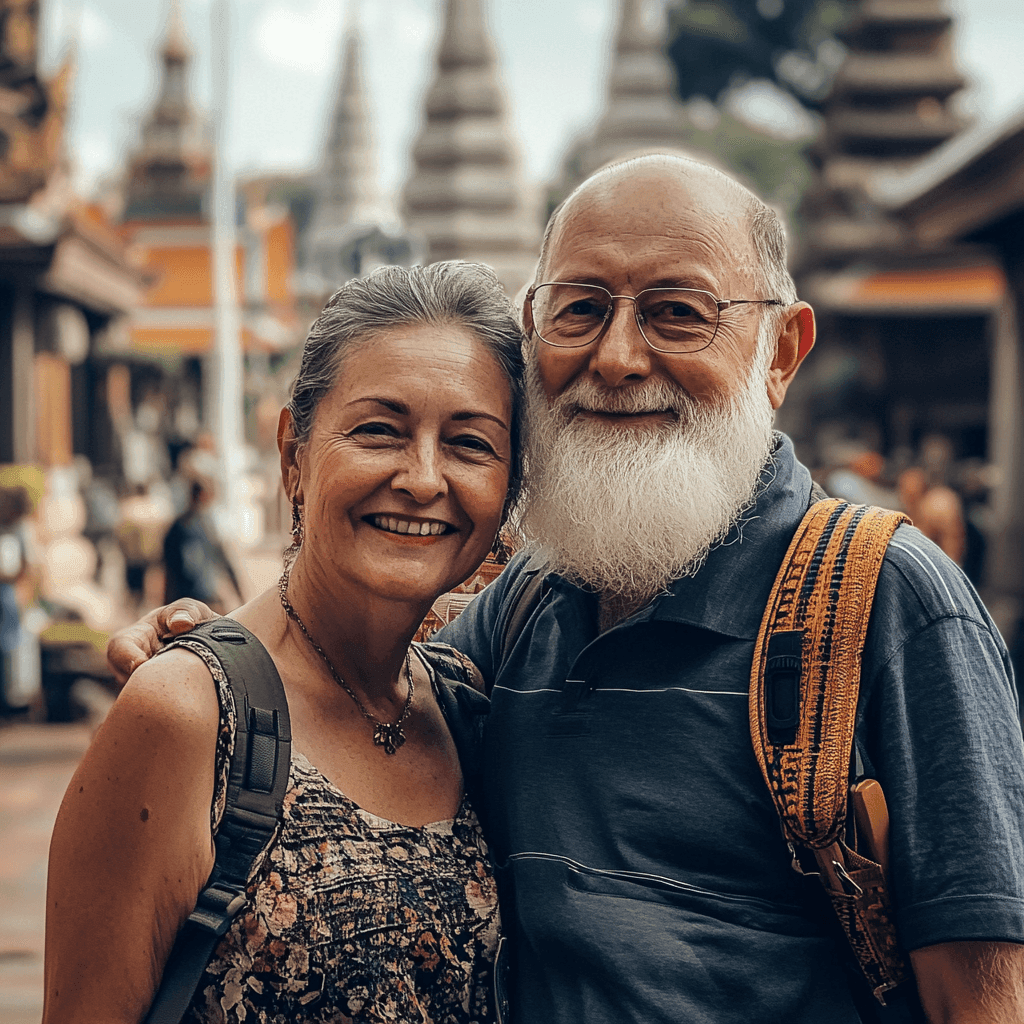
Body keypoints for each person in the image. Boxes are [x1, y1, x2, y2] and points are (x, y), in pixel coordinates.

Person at [108, 155, 1024, 1023]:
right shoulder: (532, 602)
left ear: (781, 351)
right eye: (581, 310)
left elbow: (982, 1001)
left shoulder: (888, 604)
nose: (618, 358)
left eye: (678, 313)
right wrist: (215, 660)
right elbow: (361, 702)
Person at [44, 261, 526, 1024]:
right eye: (379, 431)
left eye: (470, 444)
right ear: (293, 453)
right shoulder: (190, 715)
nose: (424, 478)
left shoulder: (472, 705)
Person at [162, 474, 245, 612]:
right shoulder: (205, 526)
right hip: (204, 599)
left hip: (183, 601)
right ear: (203, 495)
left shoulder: (176, 527)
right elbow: (224, 562)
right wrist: (241, 596)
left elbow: (168, 571)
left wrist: (165, 605)